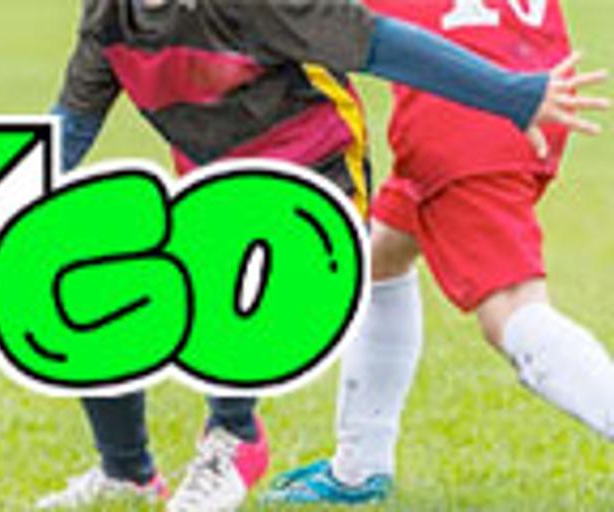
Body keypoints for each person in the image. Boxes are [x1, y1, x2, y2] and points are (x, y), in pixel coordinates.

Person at [37, 0, 608, 510]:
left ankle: (236, 440)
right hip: (228, 188)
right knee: (380, 259)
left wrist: (513, 95)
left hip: (388, 151)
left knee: (509, 310)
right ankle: (144, 474)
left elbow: (382, 44)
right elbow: (75, 119)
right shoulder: (109, 16)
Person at [264, 0, 612, 505]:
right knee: (380, 260)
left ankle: (359, 471)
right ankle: (359, 468)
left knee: (512, 308)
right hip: (533, 86)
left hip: (467, 112)